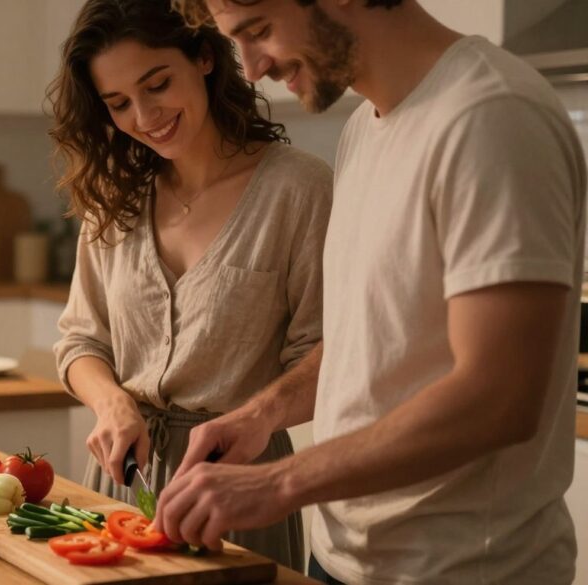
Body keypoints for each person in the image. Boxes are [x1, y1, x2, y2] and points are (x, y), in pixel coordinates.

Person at [157, 1, 586, 583]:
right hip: (343, 559)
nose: (252, 68)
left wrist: (280, 482)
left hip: (459, 570)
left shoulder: (490, 115)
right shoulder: (365, 127)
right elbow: (379, 336)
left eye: (259, 31)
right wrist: (264, 413)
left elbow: (500, 395)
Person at [49, 0, 332, 571]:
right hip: (119, 486)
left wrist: (257, 418)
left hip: (238, 490)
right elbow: (81, 342)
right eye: (119, 103)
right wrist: (112, 405)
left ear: (204, 57)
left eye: (157, 84)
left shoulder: (298, 190)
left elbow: (329, 354)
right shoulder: (115, 198)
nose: (145, 115)